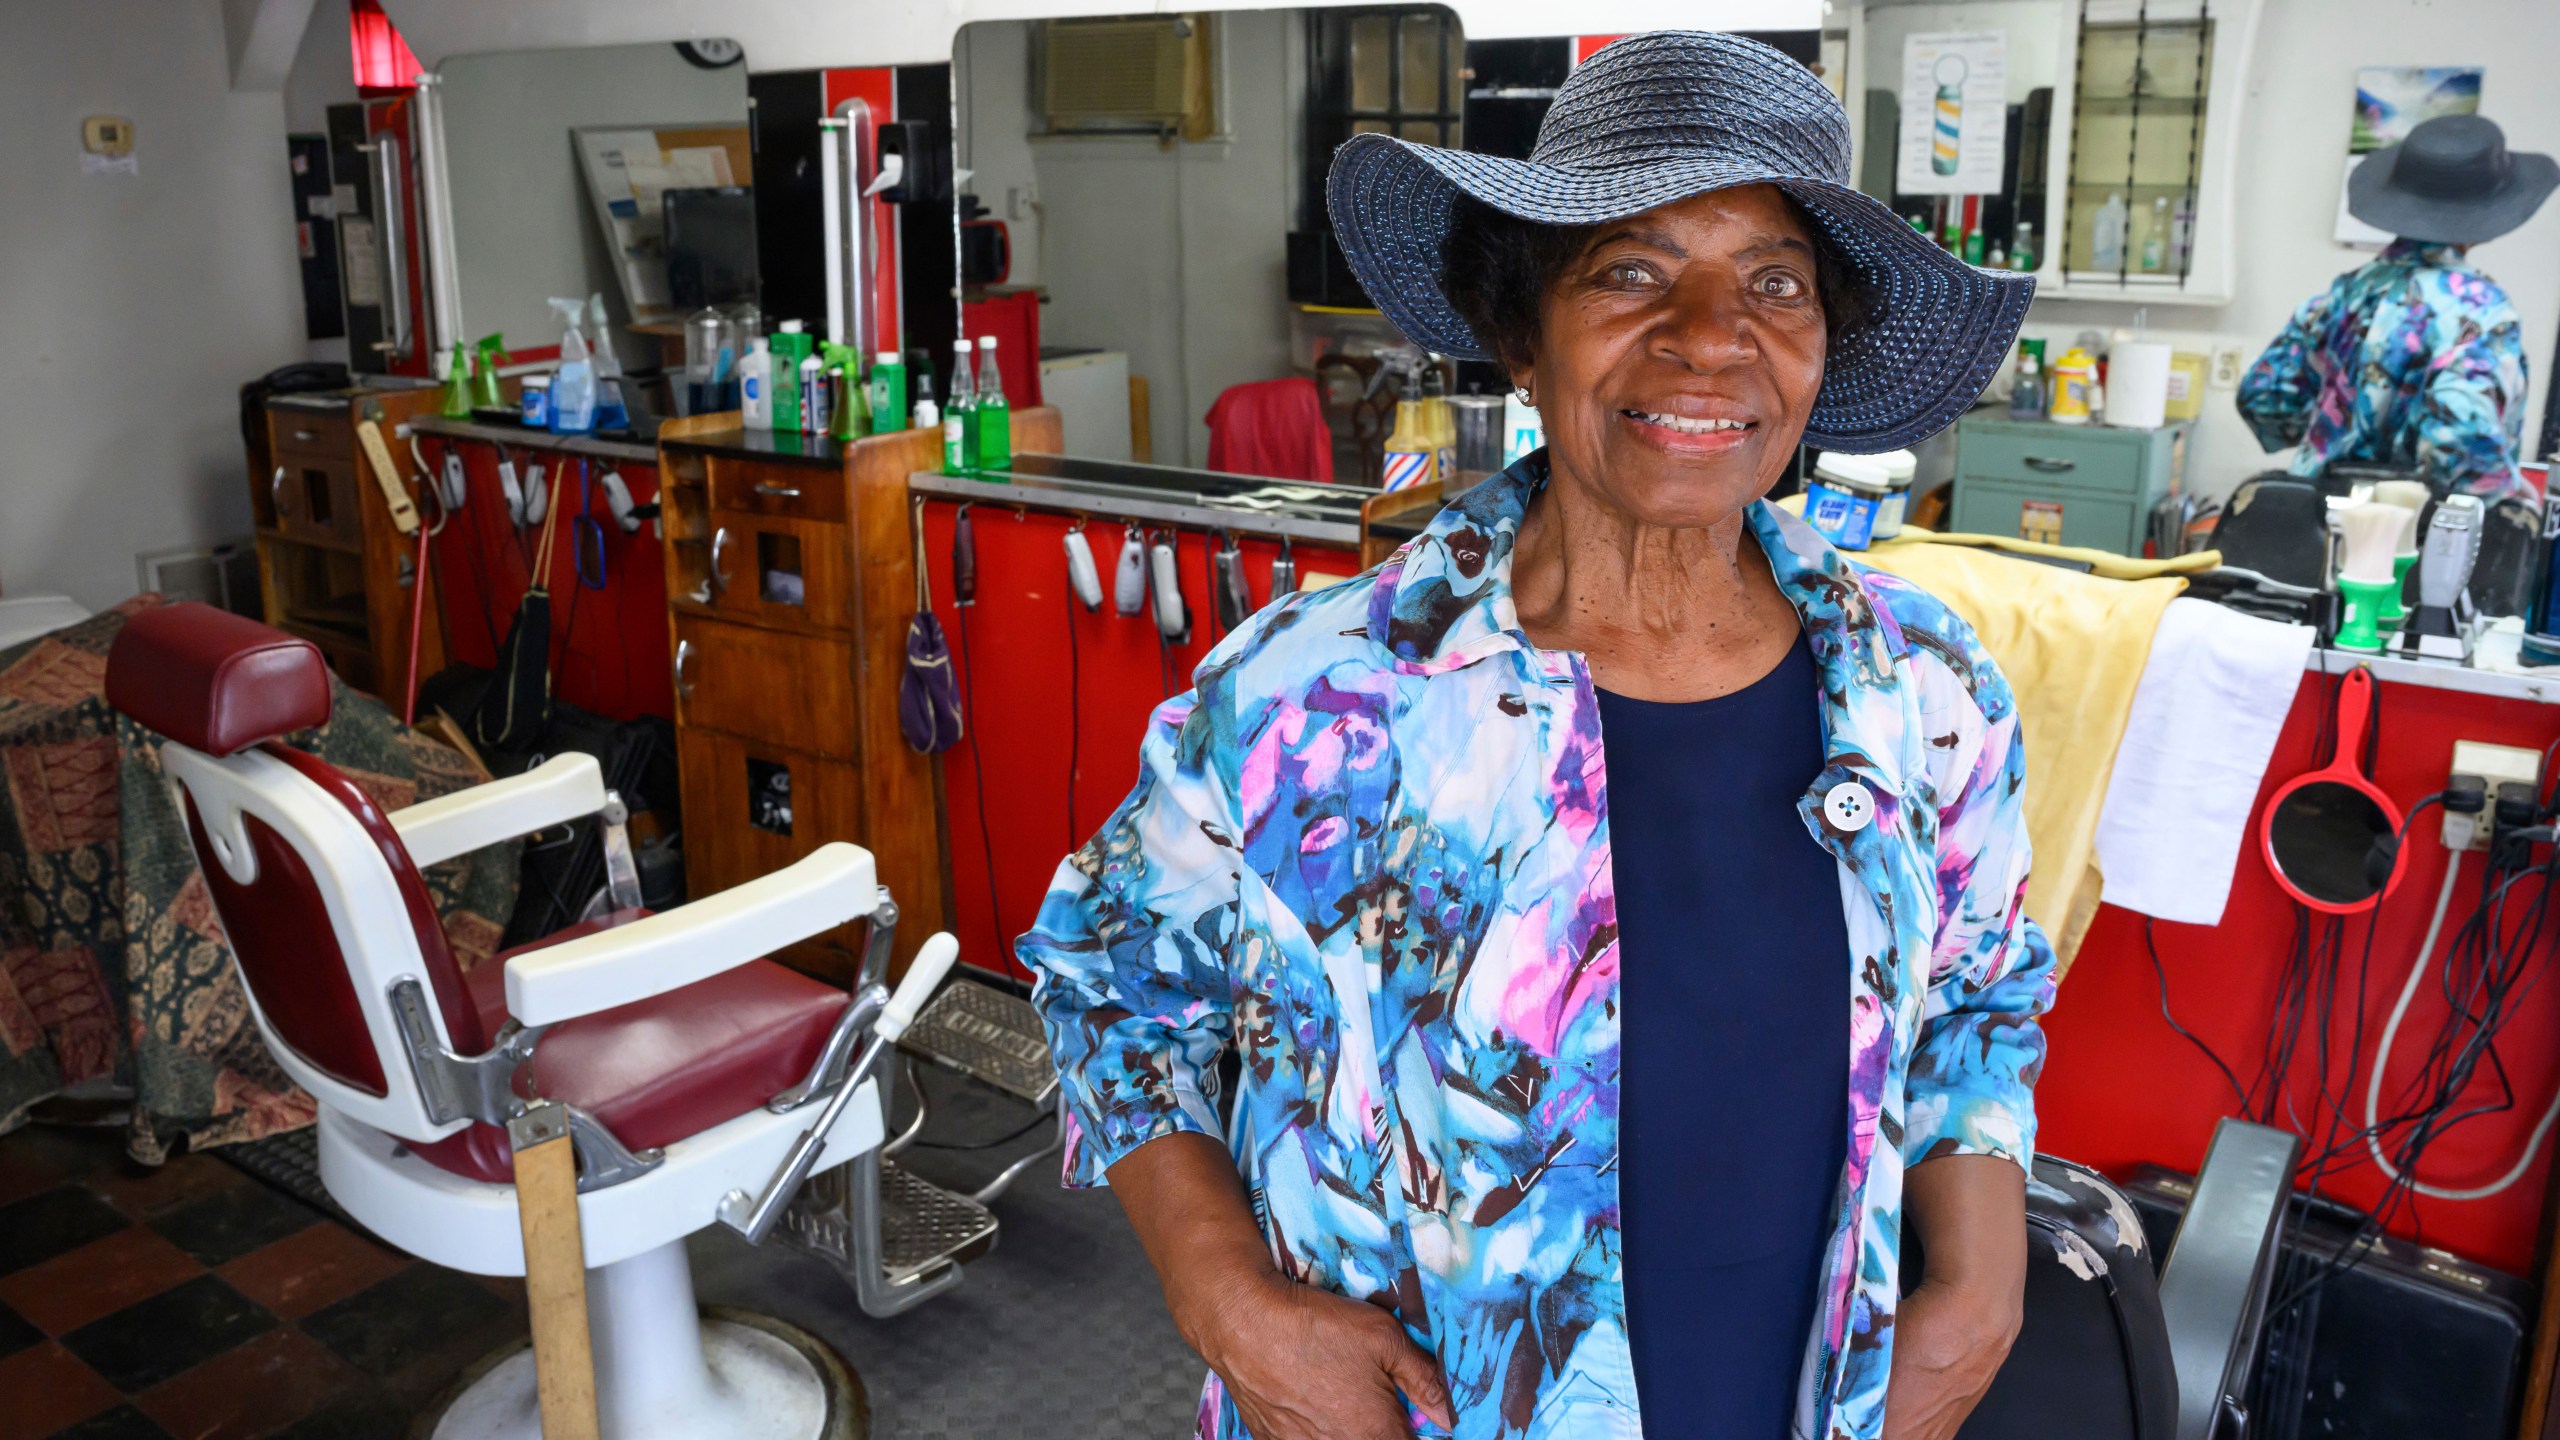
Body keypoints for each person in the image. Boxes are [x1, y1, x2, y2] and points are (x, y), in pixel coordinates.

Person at [1021, 32, 2054, 1440]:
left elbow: (1982, 1004)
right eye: (1629, 271)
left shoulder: (1923, 691)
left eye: (1775, 283)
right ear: (1520, 328)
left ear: (1824, 348)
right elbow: (1112, 985)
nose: (1708, 335)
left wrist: (1981, 1286)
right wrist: (1228, 1305)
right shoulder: (1313, 699)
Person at [2238, 113, 2556, 502]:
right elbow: (2462, 433)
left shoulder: (2345, 294)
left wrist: (2331, 434)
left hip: (2314, 514)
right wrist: (2507, 493)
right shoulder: (2483, 313)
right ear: (2486, 212)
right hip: (2414, 536)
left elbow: (2264, 395)